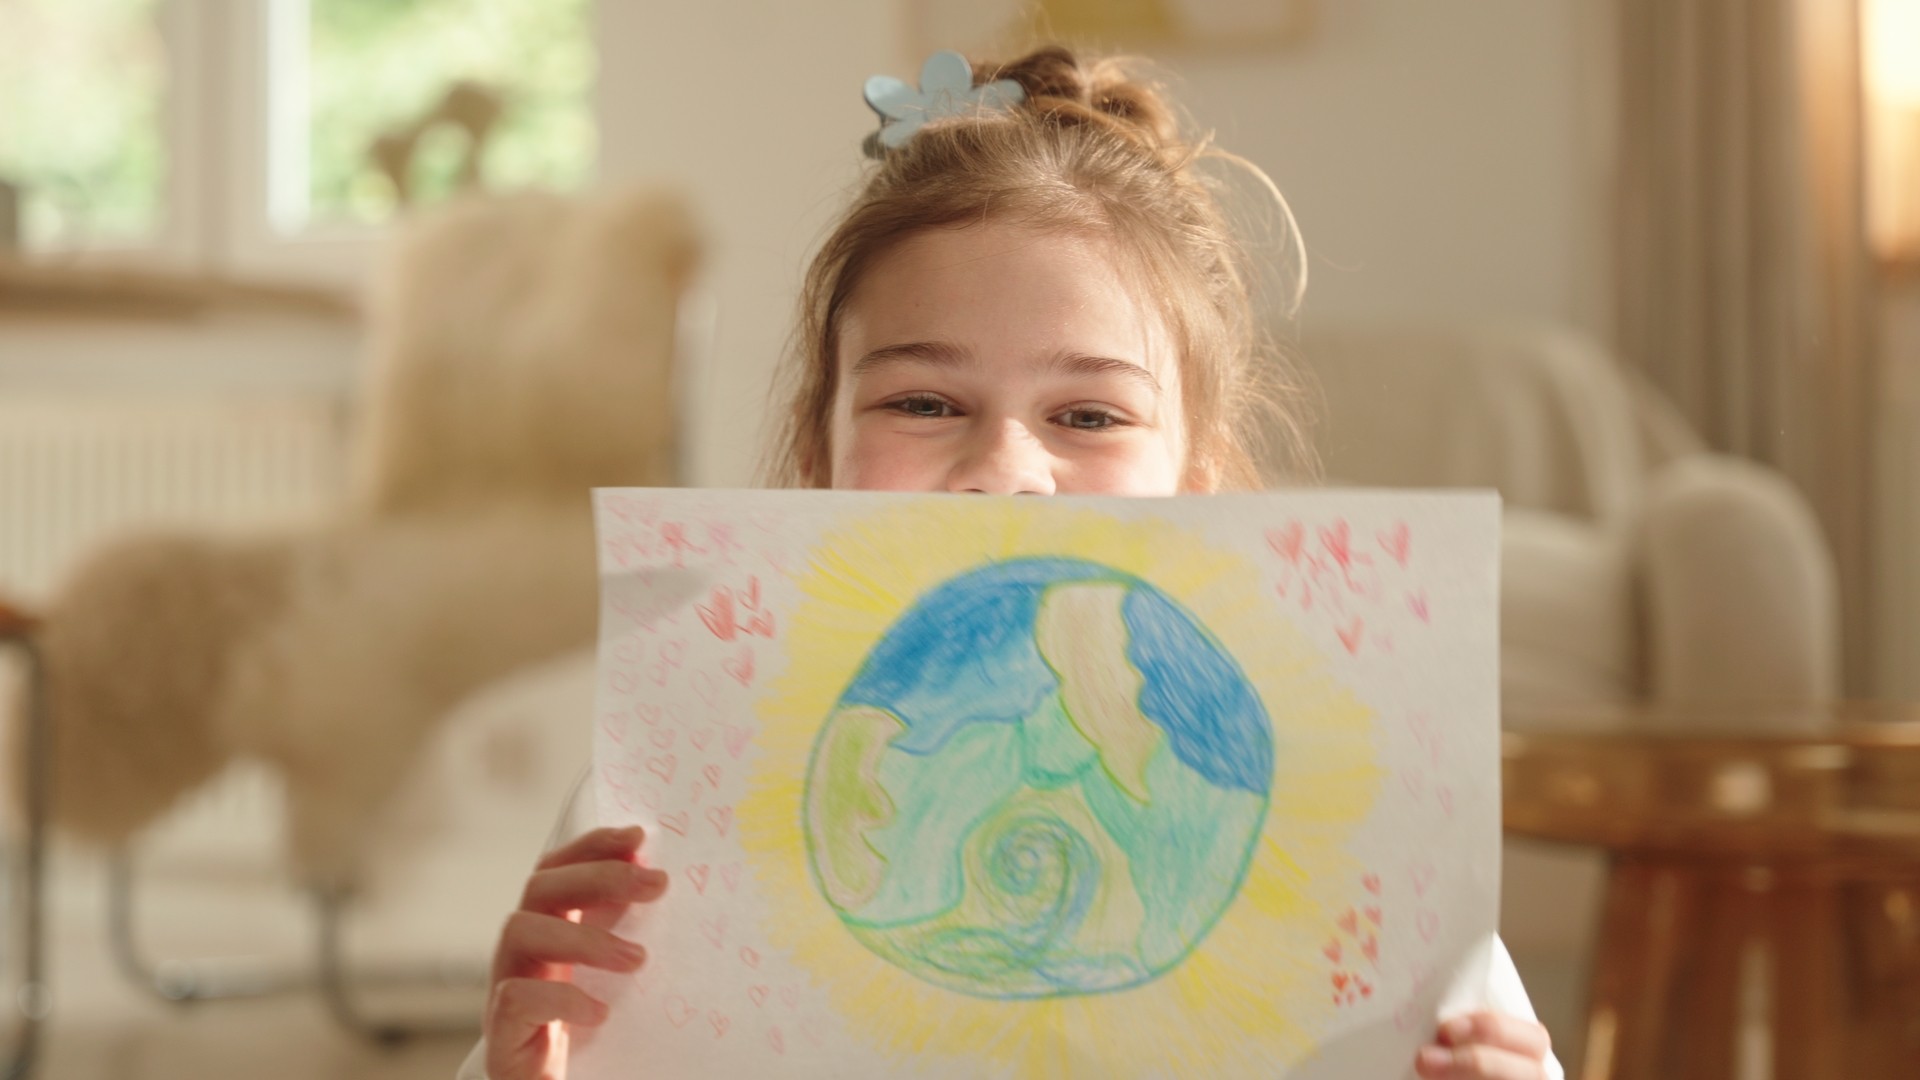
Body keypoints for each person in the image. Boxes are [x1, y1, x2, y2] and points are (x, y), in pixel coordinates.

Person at [463, 45, 1562, 1080]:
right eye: (925, 402)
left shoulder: (1355, 808)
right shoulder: (666, 785)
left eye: (1087, 414)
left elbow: (1459, 1029)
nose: (1005, 469)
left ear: (1197, 477)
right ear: (818, 448)